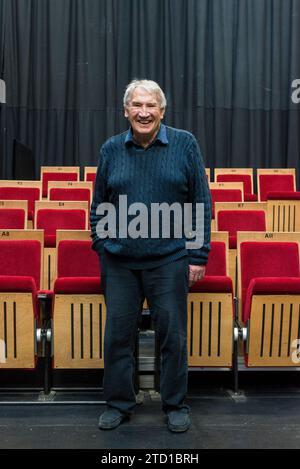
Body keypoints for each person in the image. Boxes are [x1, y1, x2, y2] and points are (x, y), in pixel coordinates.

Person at [90, 79, 211, 432]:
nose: (144, 112)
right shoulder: (111, 149)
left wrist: (198, 255)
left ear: (162, 110)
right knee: (117, 337)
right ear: (126, 111)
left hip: (169, 260)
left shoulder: (185, 144)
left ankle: (175, 404)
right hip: (120, 262)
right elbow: (99, 204)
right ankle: (119, 402)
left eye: (151, 105)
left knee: (172, 337)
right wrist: (102, 243)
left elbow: (200, 203)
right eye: (137, 105)